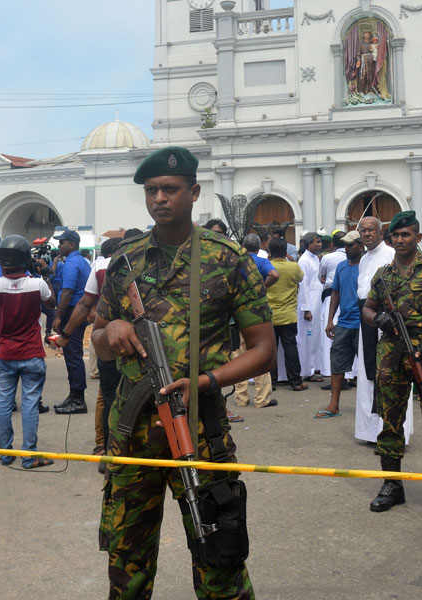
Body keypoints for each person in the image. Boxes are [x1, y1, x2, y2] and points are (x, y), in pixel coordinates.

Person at [92, 146, 275, 599]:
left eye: (169, 189)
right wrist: (111, 327)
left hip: (200, 429)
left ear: (193, 193)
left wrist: (206, 381)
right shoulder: (125, 261)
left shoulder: (227, 258)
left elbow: (264, 348)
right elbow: (97, 339)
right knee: (126, 566)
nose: (159, 198)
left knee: (220, 559)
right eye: (151, 190)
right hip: (132, 436)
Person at [363, 211, 422, 521]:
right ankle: (392, 484)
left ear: (417, 238)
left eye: (407, 235)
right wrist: (379, 319)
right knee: (390, 421)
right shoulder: (383, 275)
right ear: (390, 239)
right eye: (396, 235)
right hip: (391, 353)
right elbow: (367, 308)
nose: (401, 240)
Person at [0, 236, 56, 469]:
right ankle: (29, 454)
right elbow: (51, 303)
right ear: (26, 258)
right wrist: (41, 274)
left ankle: (5, 452)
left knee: (4, 403)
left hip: (6, 353)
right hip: (31, 353)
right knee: (29, 404)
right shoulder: (37, 285)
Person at [57, 236, 123, 469]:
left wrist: (64, 332)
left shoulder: (100, 266)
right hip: (141, 342)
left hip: (106, 339)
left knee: (108, 397)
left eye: (62, 242)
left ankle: (105, 448)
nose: (59, 246)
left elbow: (83, 303)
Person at [355, 216, 413, 444]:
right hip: (367, 318)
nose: (367, 234)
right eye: (363, 231)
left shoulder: (390, 254)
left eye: (371, 230)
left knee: (389, 376)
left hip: (386, 320)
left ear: (381, 233)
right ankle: (371, 432)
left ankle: (393, 432)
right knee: (369, 375)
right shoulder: (363, 259)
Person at [315, 230, 363, 418]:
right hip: (344, 323)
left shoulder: (367, 266)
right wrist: (330, 320)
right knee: (337, 366)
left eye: (351, 245)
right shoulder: (342, 266)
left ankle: (372, 407)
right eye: (346, 245)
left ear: (361, 246)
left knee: (368, 369)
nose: (348, 248)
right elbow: (335, 293)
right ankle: (334, 405)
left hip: (363, 324)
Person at [232, 234, 279, 409]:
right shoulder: (260, 261)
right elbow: (274, 274)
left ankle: (241, 398)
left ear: (243, 245)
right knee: (261, 353)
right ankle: (262, 399)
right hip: (257, 315)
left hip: (236, 314)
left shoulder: (236, 261)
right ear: (259, 246)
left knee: (238, 356)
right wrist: (262, 288)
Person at [51, 229, 91, 414]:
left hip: (72, 312)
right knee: (72, 355)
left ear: (72, 244)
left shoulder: (72, 263)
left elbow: (67, 292)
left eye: (62, 242)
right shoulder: (81, 261)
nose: (59, 246)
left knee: (73, 356)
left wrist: (58, 317)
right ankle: (74, 395)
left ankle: (78, 400)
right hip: (79, 311)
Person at [267, 236, 306, 391]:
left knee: (271, 349)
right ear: (285, 251)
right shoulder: (294, 267)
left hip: (270, 315)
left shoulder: (266, 266)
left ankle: (272, 382)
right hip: (289, 314)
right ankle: (296, 381)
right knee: (290, 347)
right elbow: (300, 279)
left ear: (270, 251)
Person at [318, 231, 348, 380]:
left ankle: (331, 372)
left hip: (331, 297)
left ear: (332, 244)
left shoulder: (327, 258)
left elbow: (320, 276)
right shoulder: (355, 258)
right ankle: (350, 373)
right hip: (349, 299)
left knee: (329, 335)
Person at [297, 231, 324, 382]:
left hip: (317, 299)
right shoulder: (304, 260)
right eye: (317, 242)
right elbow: (303, 286)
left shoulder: (315, 259)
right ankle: (306, 370)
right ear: (309, 244)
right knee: (307, 337)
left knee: (315, 336)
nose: (320, 244)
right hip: (309, 301)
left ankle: (315, 366)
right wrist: (306, 308)